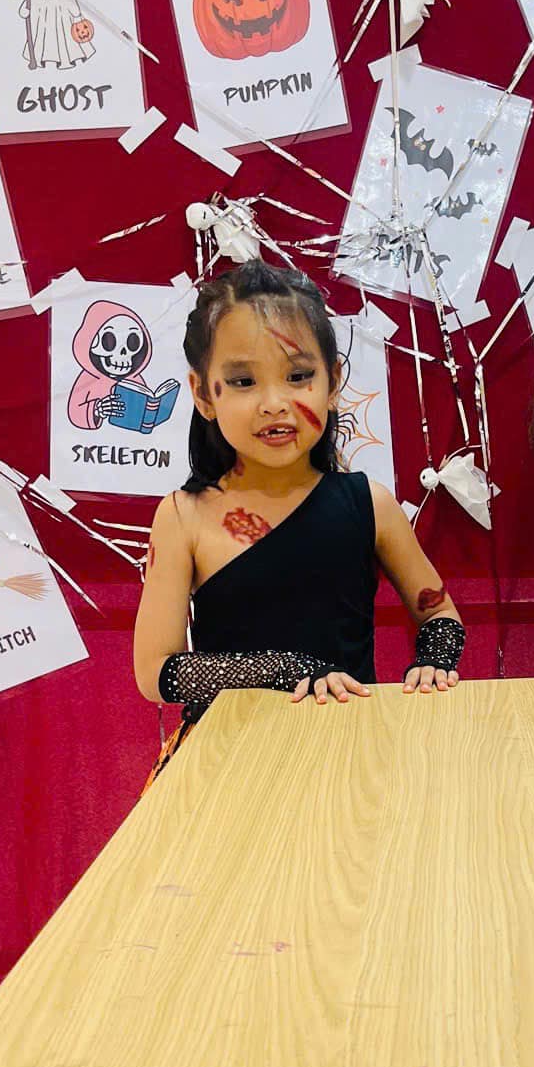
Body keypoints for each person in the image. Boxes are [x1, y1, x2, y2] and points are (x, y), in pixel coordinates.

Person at [133, 260, 465, 743]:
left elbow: (438, 612)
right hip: (226, 758)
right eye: (244, 381)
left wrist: (435, 660)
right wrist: (283, 670)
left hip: (351, 751)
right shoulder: (183, 515)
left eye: (298, 375)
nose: (274, 403)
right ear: (203, 394)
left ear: (333, 382)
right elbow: (155, 673)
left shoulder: (369, 504)